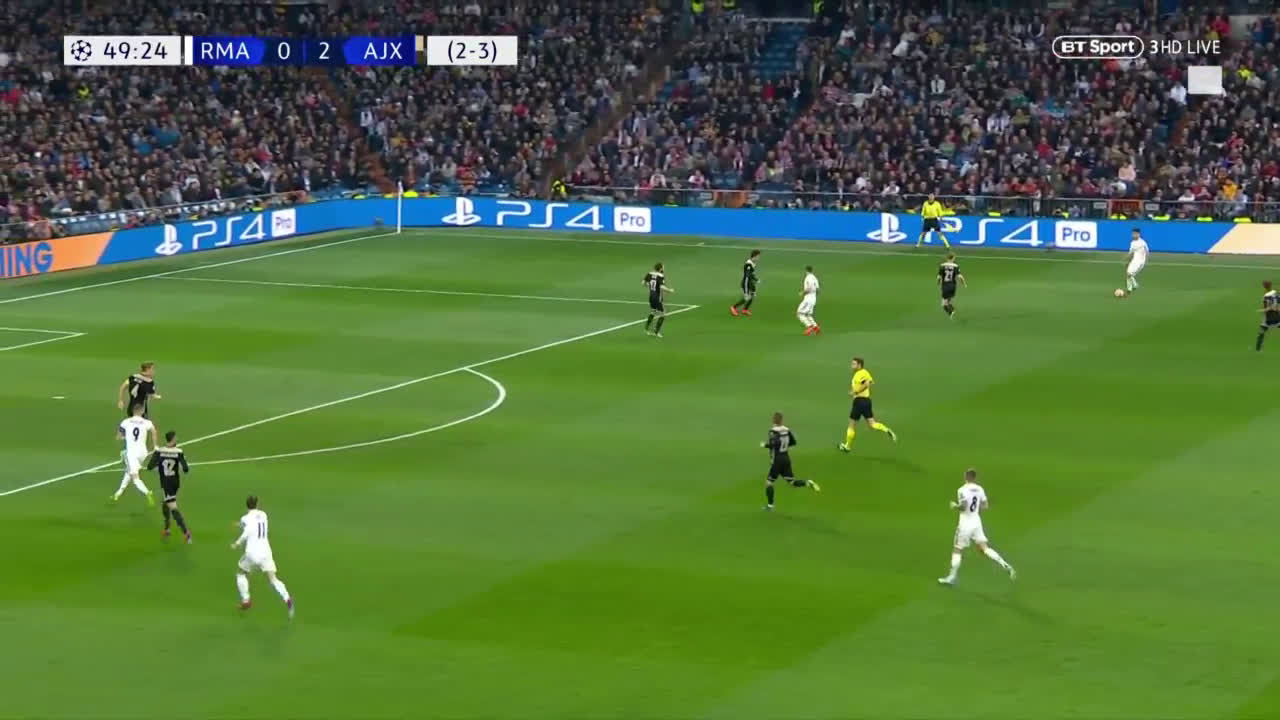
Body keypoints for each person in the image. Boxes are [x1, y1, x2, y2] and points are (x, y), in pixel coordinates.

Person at [938, 468, 1016, 585]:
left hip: (965, 523)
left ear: (966, 477)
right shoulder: (980, 489)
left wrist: (955, 506)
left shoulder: (962, 490)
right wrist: (974, 508)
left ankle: (952, 577)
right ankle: (1005, 565)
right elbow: (985, 506)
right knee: (984, 548)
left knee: (958, 549)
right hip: (976, 521)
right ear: (974, 478)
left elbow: (964, 506)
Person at [232, 495, 295, 617]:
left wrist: (237, 543)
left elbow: (247, 531)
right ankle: (287, 599)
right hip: (265, 552)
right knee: (273, 579)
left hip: (252, 553)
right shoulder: (263, 515)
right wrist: (239, 524)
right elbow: (253, 526)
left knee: (241, 573)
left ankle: (246, 599)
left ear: (246, 506)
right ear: (257, 504)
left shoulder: (245, 518)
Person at [761, 412, 820, 510]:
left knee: (769, 483)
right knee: (792, 482)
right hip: (786, 458)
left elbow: (774, 444)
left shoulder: (773, 431)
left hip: (777, 460)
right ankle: (807, 483)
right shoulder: (786, 430)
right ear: (782, 420)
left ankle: (770, 505)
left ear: (773, 420)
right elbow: (793, 442)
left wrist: (765, 445)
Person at [838, 357, 897, 452]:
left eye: (854, 364)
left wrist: (855, 392)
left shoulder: (862, 373)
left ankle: (847, 446)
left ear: (859, 365)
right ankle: (886, 430)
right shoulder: (863, 373)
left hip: (859, 401)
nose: (852, 366)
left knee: (851, 425)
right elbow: (868, 382)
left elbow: (867, 384)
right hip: (866, 401)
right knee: (872, 424)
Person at [148, 430, 191, 543]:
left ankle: (186, 533)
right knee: (165, 503)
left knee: (172, 506)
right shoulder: (179, 452)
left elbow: (150, 467)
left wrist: (160, 467)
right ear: (173, 439)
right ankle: (167, 529)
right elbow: (186, 469)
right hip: (175, 483)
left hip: (166, 483)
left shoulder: (159, 451)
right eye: (176, 438)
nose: (177, 440)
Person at [113, 405, 157, 505]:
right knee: (129, 471)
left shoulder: (125, 422)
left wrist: (125, 437)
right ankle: (118, 494)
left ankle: (147, 492)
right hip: (143, 453)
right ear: (142, 411)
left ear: (133, 411)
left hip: (132, 453)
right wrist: (155, 446)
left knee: (135, 478)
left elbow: (118, 437)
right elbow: (154, 431)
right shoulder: (147, 422)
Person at [643, 263, 675, 338]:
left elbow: (643, 283)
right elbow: (661, 286)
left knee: (653, 311)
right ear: (660, 269)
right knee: (663, 314)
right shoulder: (660, 276)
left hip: (651, 296)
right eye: (663, 267)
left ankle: (646, 328)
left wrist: (651, 287)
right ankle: (656, 332)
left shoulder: (650, 273)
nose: (663, 269)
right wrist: (669, 290)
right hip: (657, 297)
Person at [730, 250, 761, 317]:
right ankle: (733, 307)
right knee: (747, 297)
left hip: (751, 282)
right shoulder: (748, 264)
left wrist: (756, 279)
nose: (759, 258)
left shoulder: (753, 263)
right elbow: (746, 278)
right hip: (746, 283)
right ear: (755, 256)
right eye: (758, 256)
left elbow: (751, 274)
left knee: (753, 295)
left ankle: (745, 309)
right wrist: (746, 292)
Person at [937, 252, 967, 318]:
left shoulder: (942, 265)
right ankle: (952, 310)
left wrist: (938, 283)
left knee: (943, 304)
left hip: (945, 286)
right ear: (953, 258)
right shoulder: (956, 266)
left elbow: (938, 277)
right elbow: (960, 277)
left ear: (947, 258)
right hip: (953, 286)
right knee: (949, 300)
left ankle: (951, 312)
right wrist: (964, 283)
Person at [797, 266, 821, 335]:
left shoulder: (808, 278)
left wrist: (802, 293)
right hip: (813, 299)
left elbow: (809, 288)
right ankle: (816, 327)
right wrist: (814, 296)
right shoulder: (815, 278)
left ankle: (809, 327)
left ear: (806, 271)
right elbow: (818, 289)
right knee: (808, 314)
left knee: (800, 313)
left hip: (808, 299)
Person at [1257, 280, 1279, 351]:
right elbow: (1277, 306)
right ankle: (1258, 349)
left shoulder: (1266, 296)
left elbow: (1269, 307)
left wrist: (1262, 310)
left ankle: (1258, 349)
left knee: (1261, 332)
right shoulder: (1276, 293)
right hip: (1277, 315)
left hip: (1270, 317)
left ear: (1264, 286)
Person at [1125, 228, 1148, 294]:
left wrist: (1145, 260)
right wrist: (1127, 259)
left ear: (1139, 234)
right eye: (1133, 234)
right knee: (1128, 274)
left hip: (1140, 262)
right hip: (1134, 261)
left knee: (1129, 274)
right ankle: (1129, 289)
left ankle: (1134, 285)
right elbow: (1131, 252)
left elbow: (1147, 251)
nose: (1133, 235)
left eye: (1135, 234)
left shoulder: (1142, 242)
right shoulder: (1132, 243)